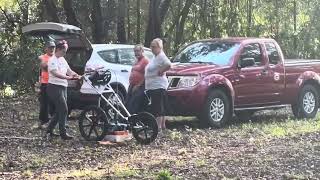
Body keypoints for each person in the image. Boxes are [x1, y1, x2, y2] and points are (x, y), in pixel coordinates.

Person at [45, 40, 81, 140]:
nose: (65, 53)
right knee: (64, 109)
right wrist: (68, 78)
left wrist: (75, 75)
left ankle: (49, 130)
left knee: (60, 111)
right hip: (54, 87)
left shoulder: (62, 59)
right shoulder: (52, 60)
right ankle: (63, 133)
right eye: (64, 51)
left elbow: (69, 70)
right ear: (59, 49)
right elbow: (55, 73)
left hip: (63, 87)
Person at [145, 38, 171, 132]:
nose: (151, 48)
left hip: (158, 85)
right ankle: (162, 126)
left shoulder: (161, 56)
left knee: (158, 106)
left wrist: (162, 70)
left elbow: (168, 64)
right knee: (160, 105)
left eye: (154, 46)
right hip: (153, 86)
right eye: (151, 46)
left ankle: (158, 127)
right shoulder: (155, 57)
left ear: (159, 47)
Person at [126, 44, 149, 114]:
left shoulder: (145, 61)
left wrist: (138, 85)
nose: (136, 53)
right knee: (127, 103)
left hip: (140, 86)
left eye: (138, 51)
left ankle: (134, 121)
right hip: (132, 85)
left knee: (134, 104)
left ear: (142, 51)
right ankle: (128, 120)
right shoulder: (136, 61)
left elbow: (146, 75)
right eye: (135, 51)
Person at [38, 41, 56, 128]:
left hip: (54, 83)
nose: (52, 49)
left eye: (53, 47)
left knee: (54, 103)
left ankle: (53, 121)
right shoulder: (43, 57)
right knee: (44, 103)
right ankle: (43, 121)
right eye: (50, 47)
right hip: (45, 83)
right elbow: (44, 67)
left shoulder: (57, 58)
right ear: (46, 49)